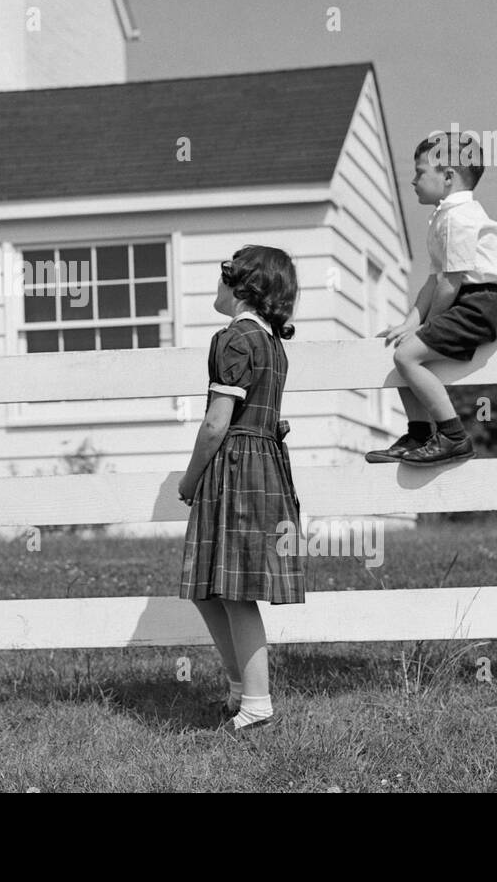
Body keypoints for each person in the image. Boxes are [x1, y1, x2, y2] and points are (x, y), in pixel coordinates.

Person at [178, 245, 305, 735]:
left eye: (221, 277)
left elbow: (215, 424)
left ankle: (257, 705)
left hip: (236, 469)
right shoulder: (271, 343)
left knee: (234, 590)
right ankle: (238, 690)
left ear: (240, 286)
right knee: (210, 588)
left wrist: (190, 480)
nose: (216, 286)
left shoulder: (234, 339)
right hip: (260, 466)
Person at [366, 132, 497, 466]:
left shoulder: (458, 218)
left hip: (484, 303)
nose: (413, 180)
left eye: (420, 172)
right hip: (472, 300)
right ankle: (420, 433)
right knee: (401, 348)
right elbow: (434, 282)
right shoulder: (444, 216)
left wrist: (428, 326)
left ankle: (452, 436)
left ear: (448, 177)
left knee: (407, 355)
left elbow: (450, 283)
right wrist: (410, 323)